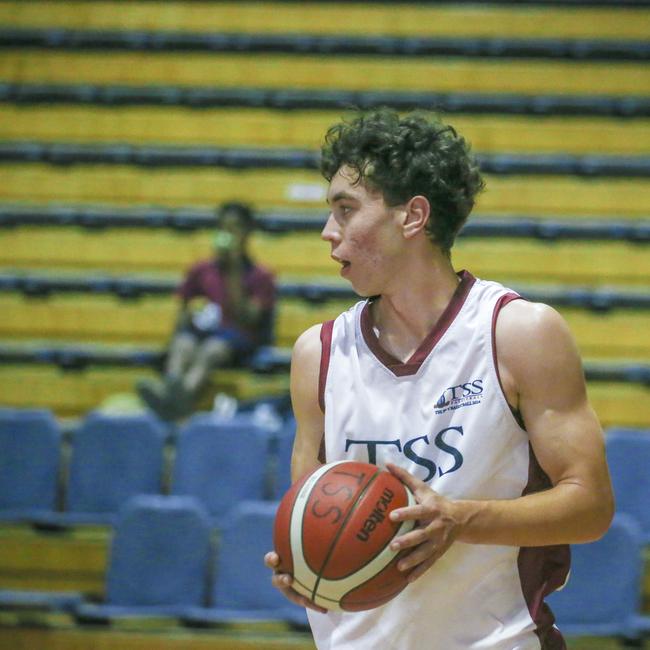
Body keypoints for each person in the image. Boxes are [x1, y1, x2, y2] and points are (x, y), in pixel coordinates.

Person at [264, 109, 614, 649]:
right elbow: (309, 506)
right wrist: (304, 565)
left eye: (345, 210)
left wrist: (460, 519)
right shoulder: (319, 353)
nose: (327, 231)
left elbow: (590, 506)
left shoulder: (518, 333)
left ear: (413, 217)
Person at [137, 202, 276, 420]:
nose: (227, 234)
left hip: (238, 339)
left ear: (247, 233)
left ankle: (179, 398)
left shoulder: (259, 276)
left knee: (213, 348)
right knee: (183, 344)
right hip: (201, 333)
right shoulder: (201, 270)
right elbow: (183, 310)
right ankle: (171, 391)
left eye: (234, 228)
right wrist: (191, 316)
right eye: (223, 228)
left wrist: (234, 270)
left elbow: (250, 318)